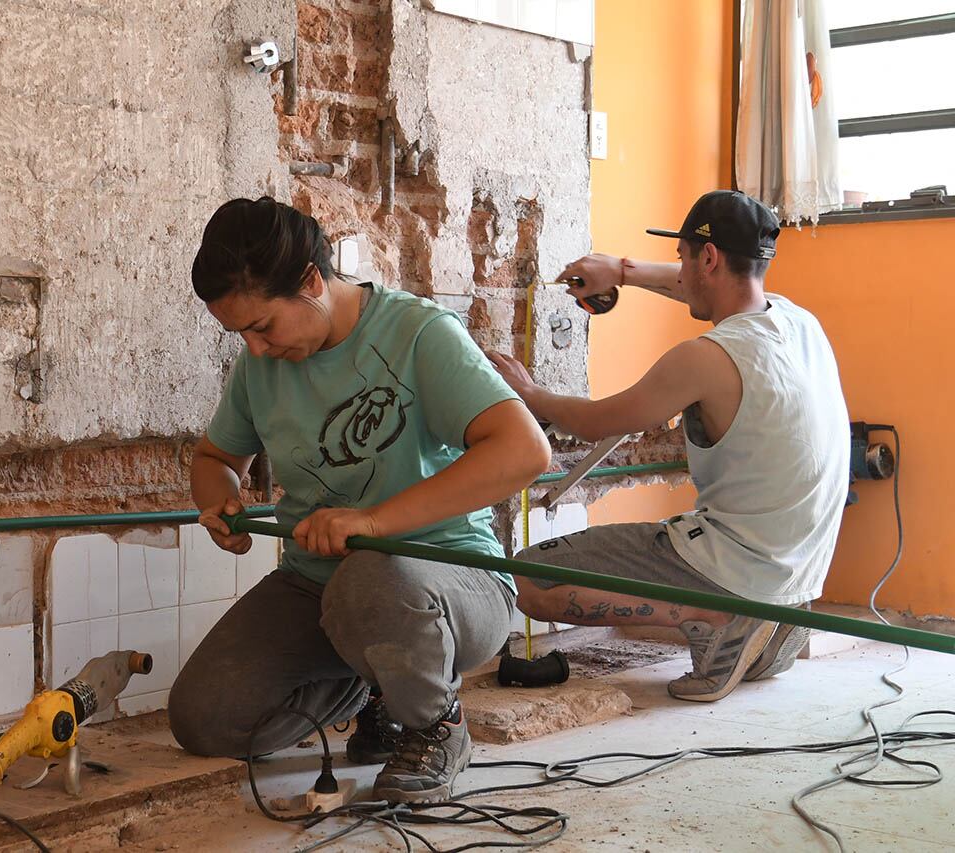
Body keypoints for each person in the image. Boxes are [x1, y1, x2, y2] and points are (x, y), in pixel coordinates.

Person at [168, 197, 551, 802]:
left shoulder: (420, 333)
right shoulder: (258, 365)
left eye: (263, 326)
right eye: (240, 333)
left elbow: (525, 451)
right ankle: (377, 686)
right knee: (205, 717)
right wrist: (223, 501)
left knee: (368, 579)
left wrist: (373, 521)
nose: (257, 349)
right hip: (319, 588)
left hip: (449, 581)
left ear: (312, 282)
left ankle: (436, 725)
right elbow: (215, 460)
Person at [487, 190, 849, 703]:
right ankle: (763, 629)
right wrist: (622, 271)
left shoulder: (706, 358)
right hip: (794, 583)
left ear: (708, 258)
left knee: (529, 580)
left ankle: (717, 617)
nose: (678, 272)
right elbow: (696, 289)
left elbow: (596, 422)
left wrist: (531, 394)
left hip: (736, 566)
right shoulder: (797, 322)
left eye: (683, 257)